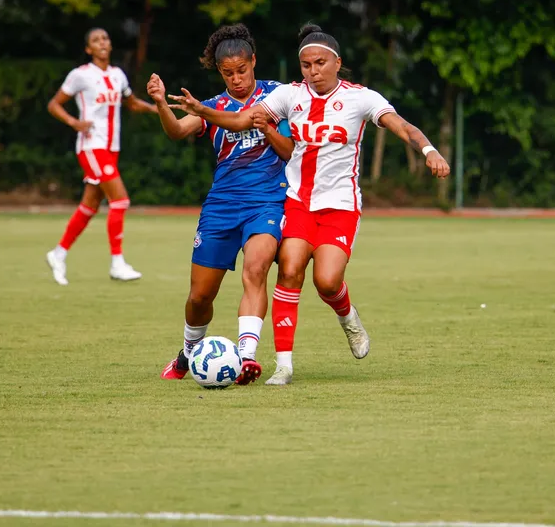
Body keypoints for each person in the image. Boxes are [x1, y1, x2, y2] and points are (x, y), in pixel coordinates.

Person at [170, 23, 450, 385]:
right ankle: (283, 366)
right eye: (306, 65)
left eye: (320, 63)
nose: (313, 70)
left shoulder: (361, 98)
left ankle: (348, 318)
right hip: (298, 202)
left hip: (340, 206)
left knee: (328, 281)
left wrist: (429, 151)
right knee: (288, 270)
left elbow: (403, 126)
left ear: (337, 62)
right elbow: (241, 120)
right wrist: (202, 111)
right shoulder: (289, 95)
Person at [147, 24, 293, 385]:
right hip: (222, 206)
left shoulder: (278, 95)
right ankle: (188, 353)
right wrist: (161, 104)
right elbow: (178, 131)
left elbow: (291, 151)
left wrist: (264, 126)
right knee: (199, 297)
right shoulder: (212, 107)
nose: (237, 79)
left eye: (242, 70)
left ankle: (245, 359)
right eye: (228, 73)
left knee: (256, 269)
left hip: (268, 202)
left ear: (254, 61)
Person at [45, 27, 157, 284]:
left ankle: (58, 253)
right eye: (96, 40)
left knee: (90, 206)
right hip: (91, 146)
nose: (102, 43)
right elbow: (54, 104)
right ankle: (117, 262)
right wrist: (74, 122)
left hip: (111, 148)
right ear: (88, 49)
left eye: (105, 38)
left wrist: (158, 108)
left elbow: (131, 103)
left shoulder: (118, 75)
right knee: (120, 200)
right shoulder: (80, 75)